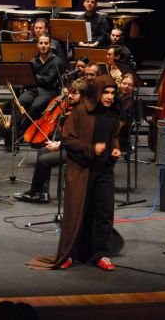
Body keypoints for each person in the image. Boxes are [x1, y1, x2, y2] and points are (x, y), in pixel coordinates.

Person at [27, 75, 121, 271]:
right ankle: (70, 253)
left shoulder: (113, 114)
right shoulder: (80, 113)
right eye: (106, 92)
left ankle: (100, 254)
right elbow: (68, 140)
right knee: (78, 213)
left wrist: (115, 148)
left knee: (104, 213)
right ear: (97, 92)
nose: (110, 97)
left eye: (113, 93)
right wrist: (91, 148)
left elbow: (114, 137)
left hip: (104, 171)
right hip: (82, 170)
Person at [14, 78, 88, 203]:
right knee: (43, 151)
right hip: (69, 146)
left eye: (74, 93)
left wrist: (60, 146)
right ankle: (41, 192)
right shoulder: (73, 110)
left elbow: (80, 138)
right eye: (70, 92)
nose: (70, 96)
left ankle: (35, 193)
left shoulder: (83, 113)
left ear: (84, 95)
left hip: (77, 151)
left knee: (44, 160)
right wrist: (56, 142)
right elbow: (68, 134)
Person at [14, 34, 65, 142]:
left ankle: (23, 132)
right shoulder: (33, 61)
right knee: (20, 101)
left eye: (46, 43)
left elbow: (49, 80)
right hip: (34, 89)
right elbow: (30, 78)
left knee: (36, 106)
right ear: (37, 45)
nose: (43, 46)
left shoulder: (57, 61)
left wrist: (35, 77)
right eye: (41, 43)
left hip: (49, 91)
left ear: (50, 45)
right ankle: (14, 131)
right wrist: (37, 78)